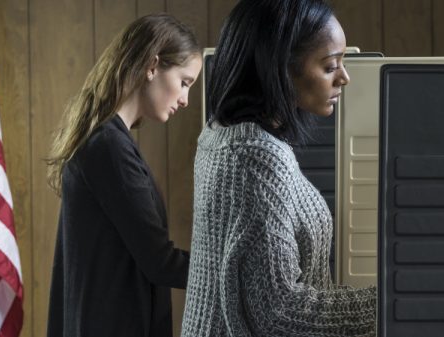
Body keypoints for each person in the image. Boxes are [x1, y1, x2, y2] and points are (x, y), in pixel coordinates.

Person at [181, 0, 376, 336]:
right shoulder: (254, 156)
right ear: (281, 67)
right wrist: (389, 303)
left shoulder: (222, 134)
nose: (344, 77)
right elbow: (279, 312)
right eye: (330, 66)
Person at [45, 14, 202, 337]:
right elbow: (160, 262)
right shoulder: (108, 147)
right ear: (152, 66)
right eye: (184, 82)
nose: (185, 99)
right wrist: (236, 276)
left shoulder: (108, 141)